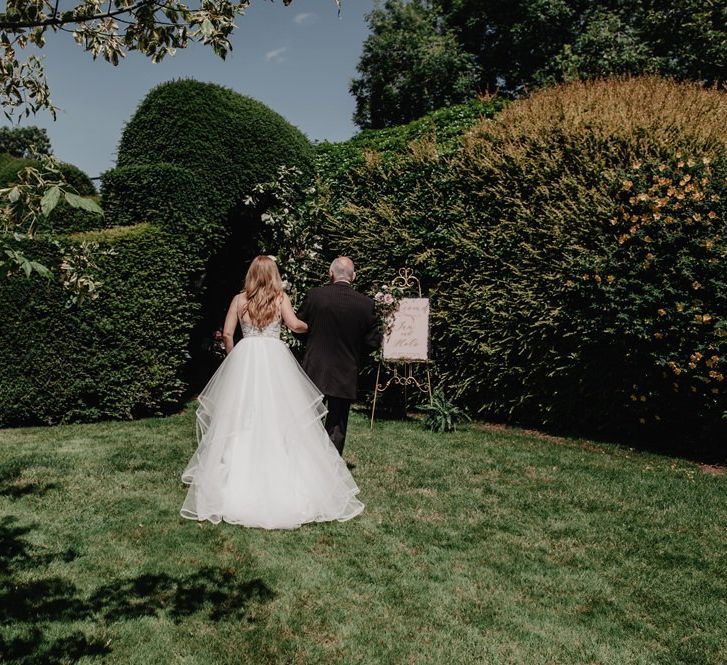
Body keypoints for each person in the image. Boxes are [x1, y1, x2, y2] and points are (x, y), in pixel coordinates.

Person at [180, 256, 364, 529]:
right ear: (274, 274)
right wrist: (310, 325)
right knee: (280, 413)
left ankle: (235, 475)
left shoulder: (239, 299)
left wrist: (234, 358)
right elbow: (294, 325)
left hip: (247, 356)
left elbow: (229, 333)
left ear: (251, 274)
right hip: (274, 357)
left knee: (242, 414)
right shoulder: (280, 298)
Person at [297, 257, 381, 456]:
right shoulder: (366, 304)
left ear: (330, 273)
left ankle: (305, 461)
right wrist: (354, 353)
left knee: (309, 419)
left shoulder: (315, 296)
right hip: (345, 370)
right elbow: (373, 342)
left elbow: (298, 327)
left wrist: (312, 344)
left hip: (315, 367)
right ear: (354, 276)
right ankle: (331, 469)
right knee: (337, 425)